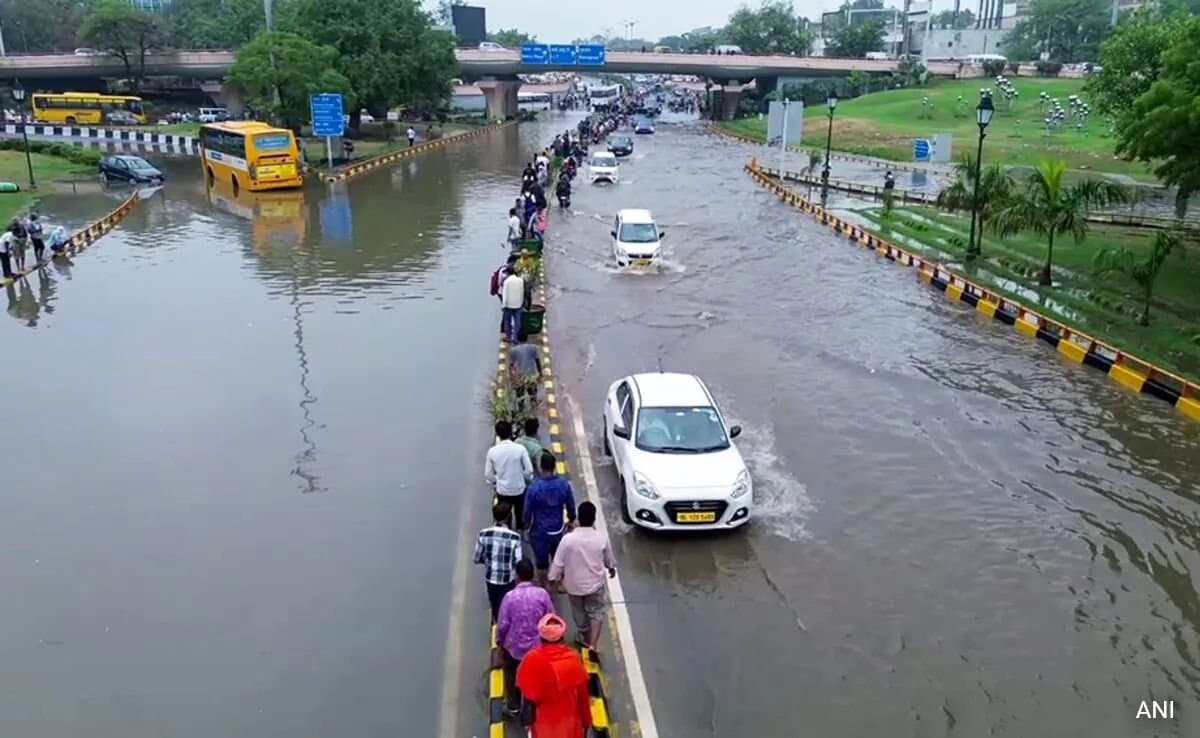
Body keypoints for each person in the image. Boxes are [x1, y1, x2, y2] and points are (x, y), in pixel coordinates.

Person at [549, 501, 616, 653]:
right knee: (596, 612)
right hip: (595, 585)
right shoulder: (601, 538)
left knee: (579, 612)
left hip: (574, 586)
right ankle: (593, 644)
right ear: (594, 518)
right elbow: (609, 559)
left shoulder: (567, 540)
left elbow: (558, 563)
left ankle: (583, 635)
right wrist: (611, 568)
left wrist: (553, 579)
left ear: (578, 518)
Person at [516, 613, 592, 738]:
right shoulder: (573, 658)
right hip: (569, 719)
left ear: (541, 637)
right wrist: (586, 720)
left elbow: (526, 693)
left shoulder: (531, 659)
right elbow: (583, 696)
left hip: (544, 722)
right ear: (562, 637)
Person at [496, 559, 556, 716]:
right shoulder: (542, 595)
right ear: (533, 575)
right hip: (537, 647)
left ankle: (513, 706)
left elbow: (503, 625)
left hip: (515, 648)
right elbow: (551, 617)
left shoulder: (509, 597)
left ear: (517, 576)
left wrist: (501, 643)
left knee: (510, 671)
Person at [524, 452, 577, 588]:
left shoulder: (534, 488)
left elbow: (527, 511)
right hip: (558, 529)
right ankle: (559, 583)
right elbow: (570, 505)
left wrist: (527, 526)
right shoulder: (563, 485)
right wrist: (571, 520)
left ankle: (544, 585)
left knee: (541, 563)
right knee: (558, 558)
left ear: (541, 468)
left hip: (539, 532)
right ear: (554, 467)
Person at [474, 501, 524, 622]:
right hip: (508, 579)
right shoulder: (515, 537)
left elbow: (477, 558)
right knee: (508, 605)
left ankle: (497, 622)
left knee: (495, 605)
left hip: (490, 578)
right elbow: (518, 562)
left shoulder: (483, 534)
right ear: (508, 517)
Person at [485, 420, 534, 529]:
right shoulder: (520, 449)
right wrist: (522, 478)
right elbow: (529, 470)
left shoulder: (492, 452)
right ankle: (520, 533)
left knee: (504, 517)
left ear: (497, 434)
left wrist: (497, 480)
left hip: (503, 490)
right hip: (519, 489)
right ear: (510, 432)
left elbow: (488, 475)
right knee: (520, 514)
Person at [500, 268, 524, 344]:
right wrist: (521, 303)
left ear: (508, 273)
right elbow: (522, 292)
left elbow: (505, 294)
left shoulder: (507, 281)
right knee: (517, 321)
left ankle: (508, 337)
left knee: (507, 321)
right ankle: (515, 337)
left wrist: (503, 305)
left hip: (508, 305)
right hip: (518, 304)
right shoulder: (520, 280)